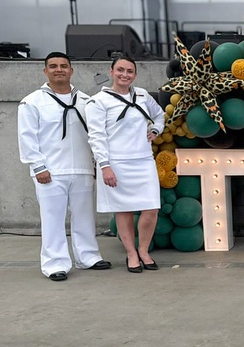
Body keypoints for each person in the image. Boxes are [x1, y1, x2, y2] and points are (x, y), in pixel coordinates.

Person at [17, 53, 112, 281]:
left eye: (63, 66)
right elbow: (27, 137)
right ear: (45, 71)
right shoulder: (32, 102)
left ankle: (88, 256)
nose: (58, 70)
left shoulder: (86, 101)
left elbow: (98, 134)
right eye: (53, 66)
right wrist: (38, 166)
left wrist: (99, 163)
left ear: (71, 70)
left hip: (82, 169)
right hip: (50, 170)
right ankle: (55, 264)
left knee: (84, 217)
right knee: (52, 219)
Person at [85, 56, 165, 274]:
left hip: (143, 160)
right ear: (111, 72)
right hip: (117, 162)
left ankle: (144, 250)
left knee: (151, 209)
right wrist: (104, 165)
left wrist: (156, 130)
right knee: (124, 210)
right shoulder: (98, 101)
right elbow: (96, 136)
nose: (124, 75)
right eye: (120, 70)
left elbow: (160, 115)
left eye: (129, 71)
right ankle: (131, 253)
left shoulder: (142, 95)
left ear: (135, 75)